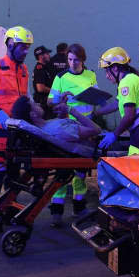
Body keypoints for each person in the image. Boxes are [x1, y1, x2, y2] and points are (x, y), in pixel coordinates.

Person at [0, 25, 33, 217]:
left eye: (28, 47)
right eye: (22, 47)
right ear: (10, 44)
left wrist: (35, 110)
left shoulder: (24, 70)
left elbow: (27, 96)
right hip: (0, 127)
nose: (26, 51)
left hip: (18, 128)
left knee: (14, 169)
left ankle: (8, 207)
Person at [47, 43, 98, 224]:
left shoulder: (91, 75)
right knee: (62, 171)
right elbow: (50, 101)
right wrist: (60, 99)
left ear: (82, 59)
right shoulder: (61, 77)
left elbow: (95, 97)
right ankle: (56, 211)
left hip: (85, 131)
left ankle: (79, 208)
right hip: (68, 130)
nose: (72, 63)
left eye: (76, 60)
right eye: (69, 59)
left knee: (81, 174)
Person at [95, 46, 139, 156]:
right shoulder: (132, 79)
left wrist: (115, 134)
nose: (106, 76)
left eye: (106, 70)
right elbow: (116, 104)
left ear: (115, 68)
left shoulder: (126, 82)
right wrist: (96, 112)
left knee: (136, 169)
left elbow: (129, 115)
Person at [32, 45, 55, 118]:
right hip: (43, 103)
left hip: (46, 102)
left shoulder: (45, 67)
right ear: (41, 56)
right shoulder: (40, 69)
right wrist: (55, 91)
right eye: (47, 53)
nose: (49, 55)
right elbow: (40, 88)